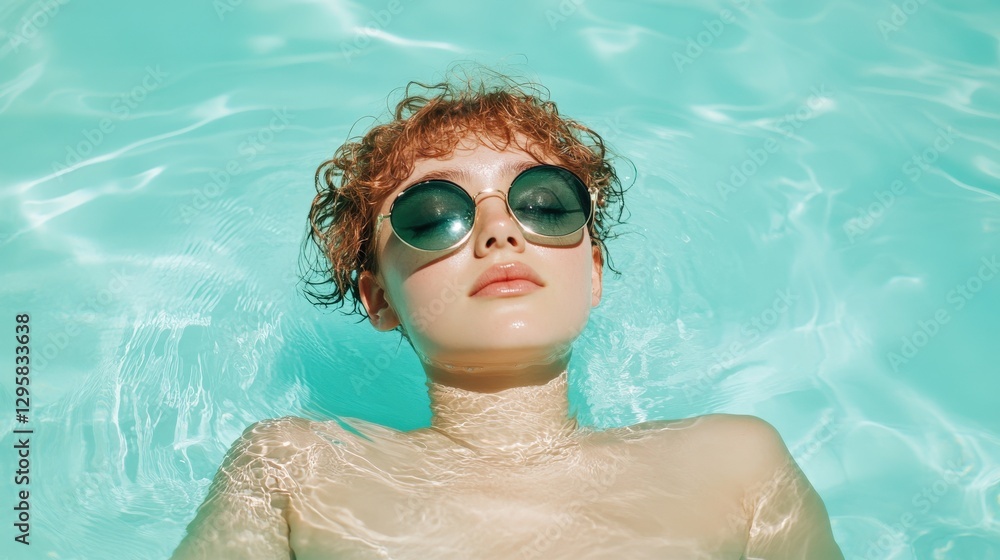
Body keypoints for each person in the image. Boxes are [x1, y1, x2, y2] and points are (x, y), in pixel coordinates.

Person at [170, 70, 844, 559]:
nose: (500, 231)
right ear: (379, 299)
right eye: (434, 215)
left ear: (593, 271)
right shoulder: (293, 470)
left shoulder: (735, 465)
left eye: (544, 203)